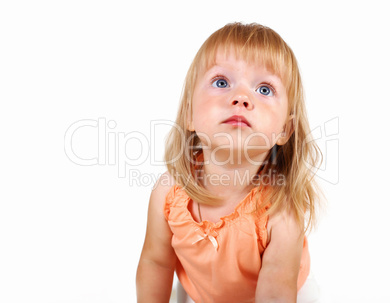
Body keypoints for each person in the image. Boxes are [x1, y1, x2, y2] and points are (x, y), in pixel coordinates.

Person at [136, 22, 324, 303]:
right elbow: (156, 263)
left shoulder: (281, 211)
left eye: (264, 89)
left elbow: (275, 292)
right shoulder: (168, 192)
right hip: (198, 291)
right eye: (221, 82)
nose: (241, 98)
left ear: (285, 130)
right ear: (189, 115)